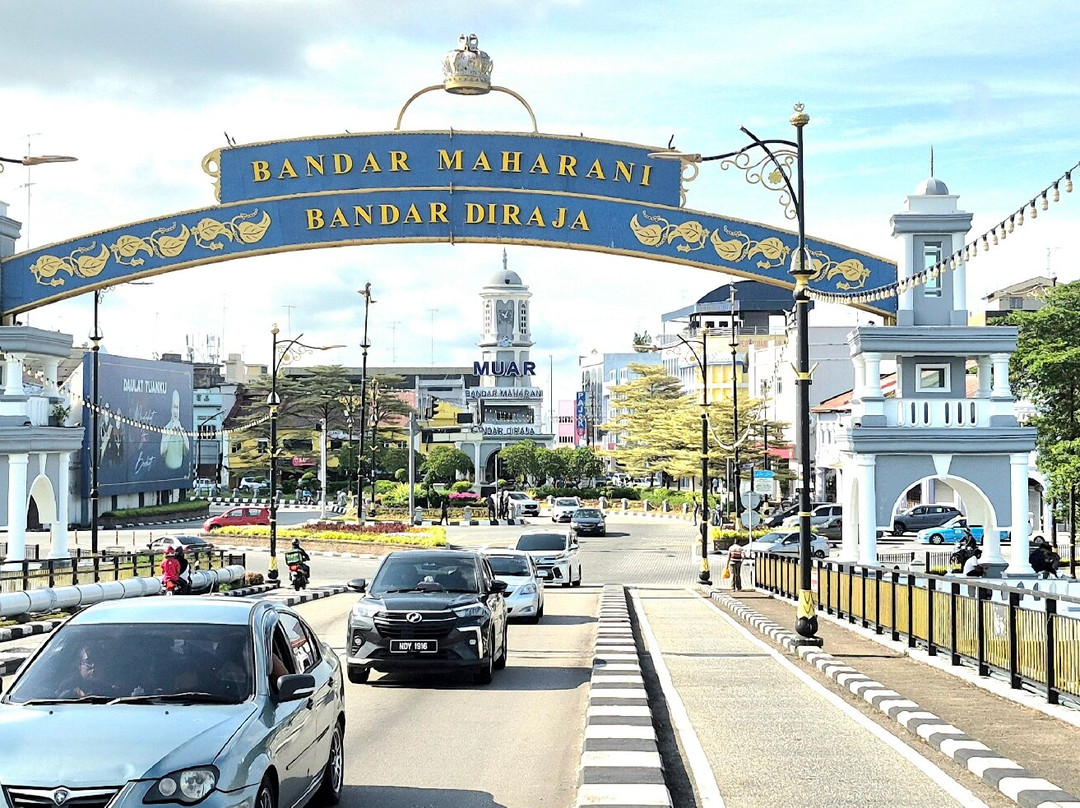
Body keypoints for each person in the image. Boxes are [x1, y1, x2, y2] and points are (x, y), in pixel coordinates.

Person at [159, 389, 190, 470]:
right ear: (171, 409)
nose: (176, 411)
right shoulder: (166, 428)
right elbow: (162, 452)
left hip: (180, 470)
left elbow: (187, 450)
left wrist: (183, 433)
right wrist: (170, 432)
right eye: (174, 407)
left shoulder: (182, 429)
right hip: (167, 470)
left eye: (177, 408)